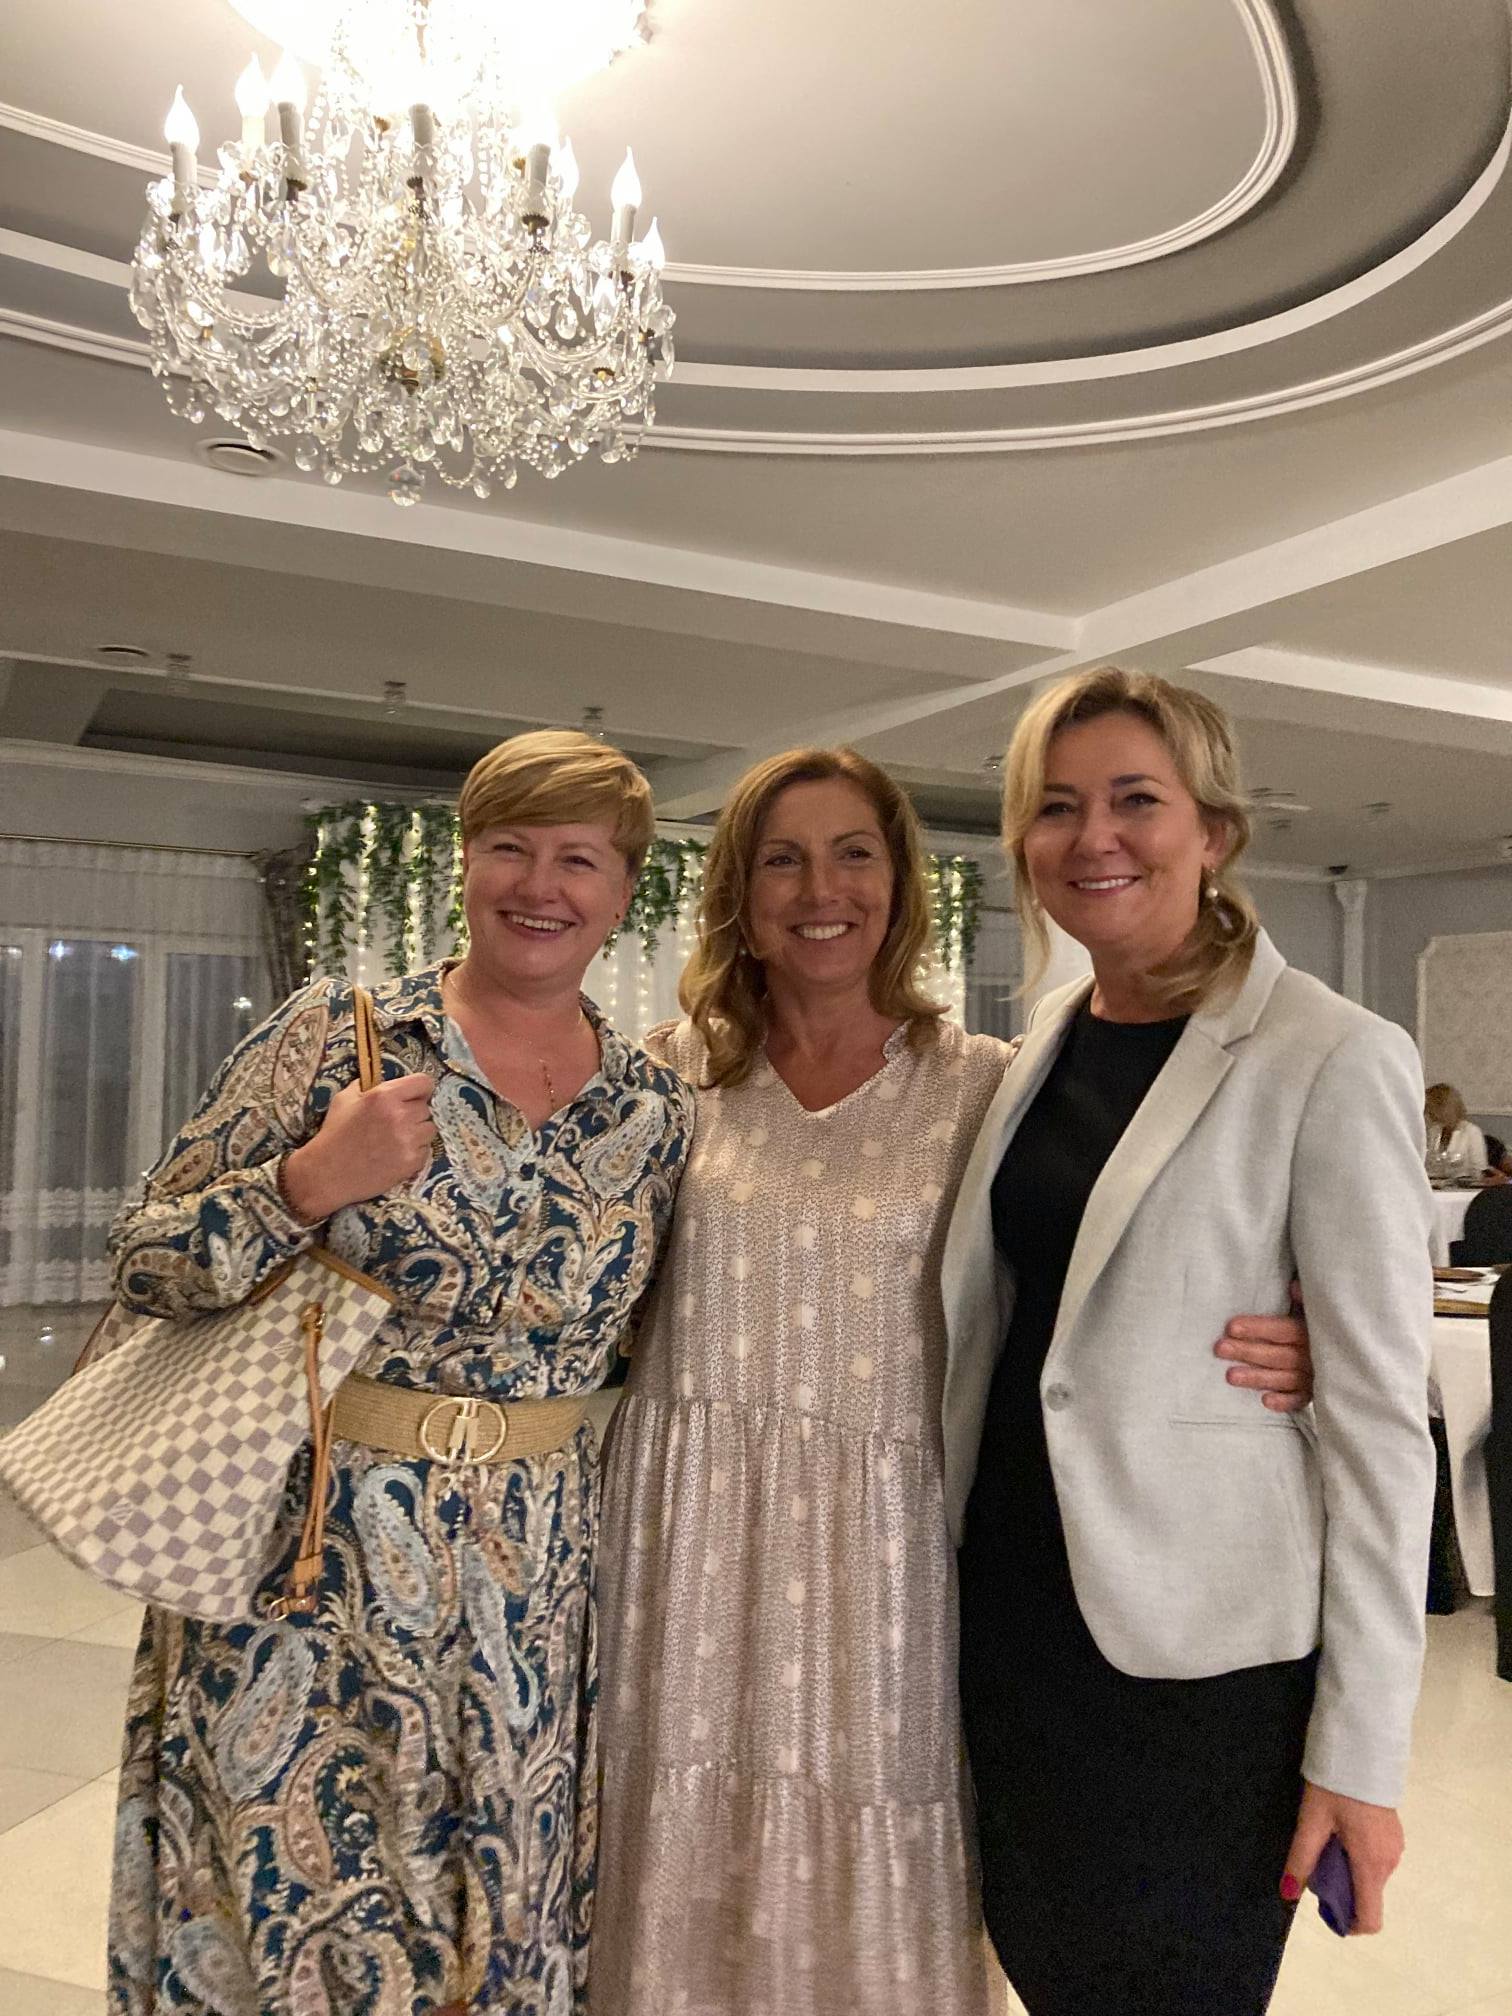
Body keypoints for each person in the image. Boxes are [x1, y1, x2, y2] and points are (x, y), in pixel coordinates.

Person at [586, 746, 1314, 2015]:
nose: (822, 889)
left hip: (890, 1551)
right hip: (691, 1543)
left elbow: (1107, 1248)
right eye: (783, 859)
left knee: (878, 1832)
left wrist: (1294, 1338)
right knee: (681, 1827)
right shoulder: (662, 1078)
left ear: (901, 882)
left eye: (854, 853)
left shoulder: (986, 1081)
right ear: (739, 894)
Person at [106, 731, 693, 2016]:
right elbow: (146, 1259)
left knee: (500, 1917)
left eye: (579, 859)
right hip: (309, 1556)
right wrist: (308, 1181)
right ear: (465, 861)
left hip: (536, 1580)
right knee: (301, 1912)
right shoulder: (339, 1036)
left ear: (624, 888)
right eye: (511, 847)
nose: (541, 885)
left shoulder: (655, 1108)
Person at [944, 668, 1435, 2016]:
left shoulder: (1327, 1055)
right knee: (1048, 1969)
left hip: (1199, 1668)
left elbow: (1386, 1433)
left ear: (1213, 829)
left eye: (1135, 801)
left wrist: (1361, 1755)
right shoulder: (1044, 1045)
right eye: (1056, 807)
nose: (1093, 837)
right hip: (1017, 1623)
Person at [1424, 1082, 1491, 1180]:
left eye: (1431, 1108)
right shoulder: (1434, 1131)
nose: (1429, 1113)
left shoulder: (1471, 1131)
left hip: (1463, 1185)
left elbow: (1479, 1170)